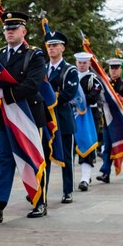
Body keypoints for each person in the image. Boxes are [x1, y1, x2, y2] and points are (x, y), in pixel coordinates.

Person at [0, 11, 45, 223]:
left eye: (14, 28)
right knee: (3, 159)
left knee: (32, 158)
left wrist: (7, 95)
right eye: (7, 28)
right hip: (5, 116)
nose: (10, 32)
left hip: (28, 116)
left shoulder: (34, 55)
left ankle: (39, 202)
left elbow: (34, 84)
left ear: (24, 31)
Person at [43, 28, 78, 203]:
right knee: (44, 157)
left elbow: (69, 93)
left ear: (63, 48)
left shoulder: (69, 70)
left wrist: (50, 98)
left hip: (63, 119)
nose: (51, 48)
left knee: (66, 157)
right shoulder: (42, 68)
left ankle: (67, 190)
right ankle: (42, 192)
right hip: (46, 120)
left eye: (55, 45)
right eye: (49, 45)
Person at [97, 58, 123, 183]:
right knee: (107, 146)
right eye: (111, 68)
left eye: (116, 68)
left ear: (121, 70)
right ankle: (105, 172)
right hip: (108, 119)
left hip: (121, 120)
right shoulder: (105, 83)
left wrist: (116, 97)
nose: (113, 71)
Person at [74, 52, 103, 189]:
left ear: (89, 64)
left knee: (87, 145)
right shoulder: (71, 76)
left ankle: (85, 178)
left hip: (90, 116)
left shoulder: (94, 80)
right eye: (79, 62)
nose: (81, 65)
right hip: (72, 115)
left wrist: (74, 99)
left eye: (84, 63)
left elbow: (92, 97)